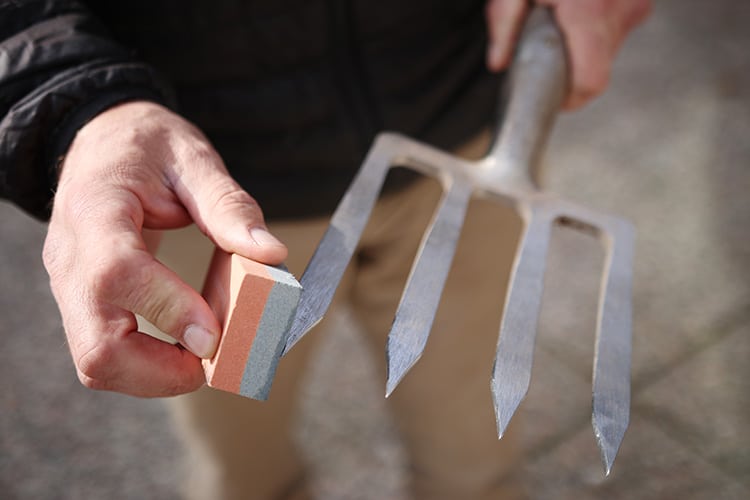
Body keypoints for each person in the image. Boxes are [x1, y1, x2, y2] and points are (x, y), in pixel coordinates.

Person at [0, 0, 651, 498]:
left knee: (472, 443)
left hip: (463, 135)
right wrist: (79, 103)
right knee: (243, 461)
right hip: (225, 209)